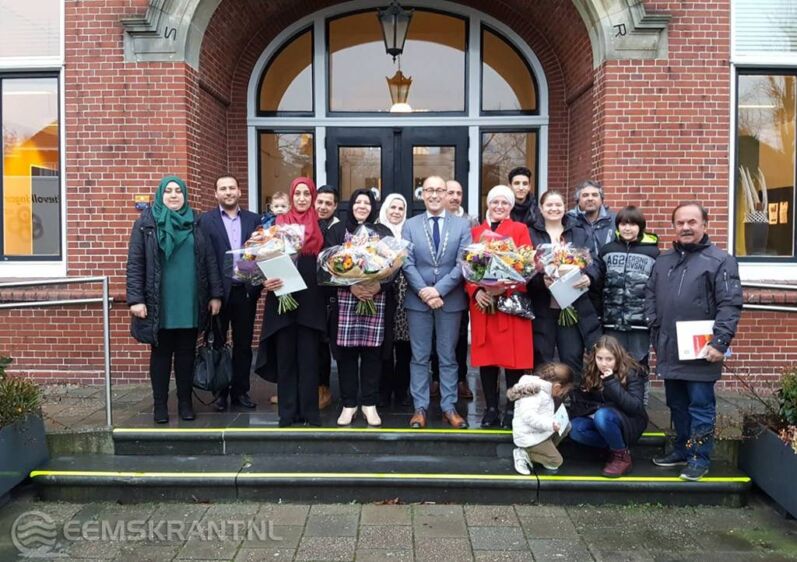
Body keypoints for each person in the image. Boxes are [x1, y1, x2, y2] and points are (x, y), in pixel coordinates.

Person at [646, 202, 743, 481]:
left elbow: (730, 304)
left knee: (700, 407)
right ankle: (681, 450)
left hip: (703, 350)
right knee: (676, 405)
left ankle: (699, 457)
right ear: (674, 226)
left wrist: (720, 342)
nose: (686, 227)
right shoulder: (663, 261)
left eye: (692, 222)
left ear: (705, 224)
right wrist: (654, 326)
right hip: (669, 348)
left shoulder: (721, 261)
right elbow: (650, 295)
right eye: (680, 223)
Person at [126, 176, 222, 423]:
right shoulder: (146, 223)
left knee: (186, 355)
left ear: (185, 195)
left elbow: (210, 260)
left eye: (178, 191)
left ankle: (185, 403)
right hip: (160, 301)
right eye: (168, 191)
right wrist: (136, 299)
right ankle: (160, 405)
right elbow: (135, 263)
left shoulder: (196, 222)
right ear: (160, 194)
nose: (173, 195)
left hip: (190, 300)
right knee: (160, 354)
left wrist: (215, 295)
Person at [254, 177, 326, 427]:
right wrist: (265, 279)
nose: (302, 198)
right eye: (298, 194)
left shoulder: (321, 225)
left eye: (307, 194)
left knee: (309, 358)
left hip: (311, 300)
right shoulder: (277, 225)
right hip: (282, 297)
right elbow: (261, 260)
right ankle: (287, 412)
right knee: (285, 357)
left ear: (312, 197)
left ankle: (309, 412)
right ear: (291, 196)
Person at [402, 175, 472, 429]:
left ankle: (448, 407)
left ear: (446, 194)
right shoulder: (410, 225)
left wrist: (438, 291)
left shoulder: (462, 226)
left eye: (439, 190)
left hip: (450, 300)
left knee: (448, 356)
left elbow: (463, 263)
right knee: (419, 356)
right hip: (418, 300)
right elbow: (406, 262)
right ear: (422, 194)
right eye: (429, 190)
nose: (434, 195)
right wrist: (424, 291)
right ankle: (420, 408)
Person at [325, 189, 394, 426]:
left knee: (372, 354)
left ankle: (369, 404)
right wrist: (350, 285)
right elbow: (327, 265)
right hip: (346, 300)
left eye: (367, 203)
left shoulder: (383, 232)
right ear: (351, 205)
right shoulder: (337, 231)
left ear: (373, 207)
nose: (362, 206)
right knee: (346, 354)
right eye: (358, 202)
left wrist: (378, 286)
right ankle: (349, 404)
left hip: (375, 299)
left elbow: (394, 266)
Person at [466, 185, 533, 429]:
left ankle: (512, 408)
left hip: (509, 305)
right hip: (484, 305)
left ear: (511, 207)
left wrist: (503, 287)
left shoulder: (520, 229)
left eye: (505, 203)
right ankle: (491, 408)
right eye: (495, 202)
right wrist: (477, 290)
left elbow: (526, 266)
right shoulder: (475, 232)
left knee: (513, 360)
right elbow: (466, 268)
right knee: (487, 359)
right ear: (488, 204)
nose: (499, 206)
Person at [198, 174, 263, 412]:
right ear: (216, 193)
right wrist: (213, 295)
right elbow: (205, 260)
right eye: (223, 188)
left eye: (232, 188)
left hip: (244, 291)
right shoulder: (205, 221)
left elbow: (261, 254)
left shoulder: (254, 220)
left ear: (239, 191)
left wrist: (254, 288)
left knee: (243, 345)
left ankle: (240, 391)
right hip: (218, 295)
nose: (228, 192)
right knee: (218, 343)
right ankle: (220, 392)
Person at [528, 190, 602, 382]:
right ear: (541, 209)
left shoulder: (578, 232)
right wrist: (540, 281)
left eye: (558, 205)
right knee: (542, 360)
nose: (554, 208)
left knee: (572, 358)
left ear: (564, 207)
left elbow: (594, 262)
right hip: (543, 308)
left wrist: (589, 277)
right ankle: (544, 399)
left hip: (572, 307)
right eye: (549, 205)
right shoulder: (531, 234)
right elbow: (525, 270)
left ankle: (573, 399)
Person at [568, 335, 649, 478]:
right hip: (601, 417)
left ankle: (622, 457)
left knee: (602, 416)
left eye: (609, 359)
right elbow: (583, 402)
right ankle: (613, 448)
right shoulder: (592, 371)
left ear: (617, 357)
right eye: (599, 358)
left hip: (629, 422)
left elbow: (635, 407)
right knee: (575, 428)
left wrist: (611, 382)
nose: (603, 364)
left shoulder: (632, 372)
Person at [430, 179, 476, 400]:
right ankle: (436, 378)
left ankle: (460, 379)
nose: (455, 197)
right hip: (432, 291)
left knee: (458, 336)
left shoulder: (470, 221)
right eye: (451, 192)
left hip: (460, 290)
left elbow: (473, 257)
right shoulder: (429, 221)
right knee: (433, 336)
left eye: (459, 193)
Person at [599, 206, 660, 366]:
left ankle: (640, 384)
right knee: (612, 364)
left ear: (640, 227)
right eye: (623, 224)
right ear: (617, 226)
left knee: (637, 365)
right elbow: (598, 284)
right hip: (611, 321)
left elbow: (656, 288)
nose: (627, 228)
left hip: (640, 323)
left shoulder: (653, 253)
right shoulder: (607, 251)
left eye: (632, 224)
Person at [377, 193, 412, 408]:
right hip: (383, 294)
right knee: (384, 345)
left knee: (405, 347)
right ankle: (383, 391)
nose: (397, 212)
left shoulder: (410, 232)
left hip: (406, 295)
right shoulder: (376, 231)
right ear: (386, 209)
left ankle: (401, 390)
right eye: (393, 207)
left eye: (401, 208)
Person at [508, 363, 573, 475]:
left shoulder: (546, 390)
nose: (561, 395)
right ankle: (524, 453)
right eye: (562, 393)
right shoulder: (535, 392)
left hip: (538, 432)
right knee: (556, 461)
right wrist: (550, 424)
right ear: (557, 387)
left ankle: (543, 452)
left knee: (566, 426)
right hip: (529, 437)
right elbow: (528, 416)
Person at [315, 184, 340, 410]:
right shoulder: (306, 225)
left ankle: (325, 389)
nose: (323, 207)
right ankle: (304, 387)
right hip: (309, 293)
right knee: (311, 343)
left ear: (335, 206)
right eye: (320, 202)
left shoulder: (340, 228)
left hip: (333, 295)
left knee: (328, 344)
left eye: (328, 203)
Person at [566, 180, 616, 258]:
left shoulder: (614, 220)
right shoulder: (568, 221)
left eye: (594, 195)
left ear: (601, 199)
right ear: (578, 200)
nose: (590, 198)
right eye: (585, 195)